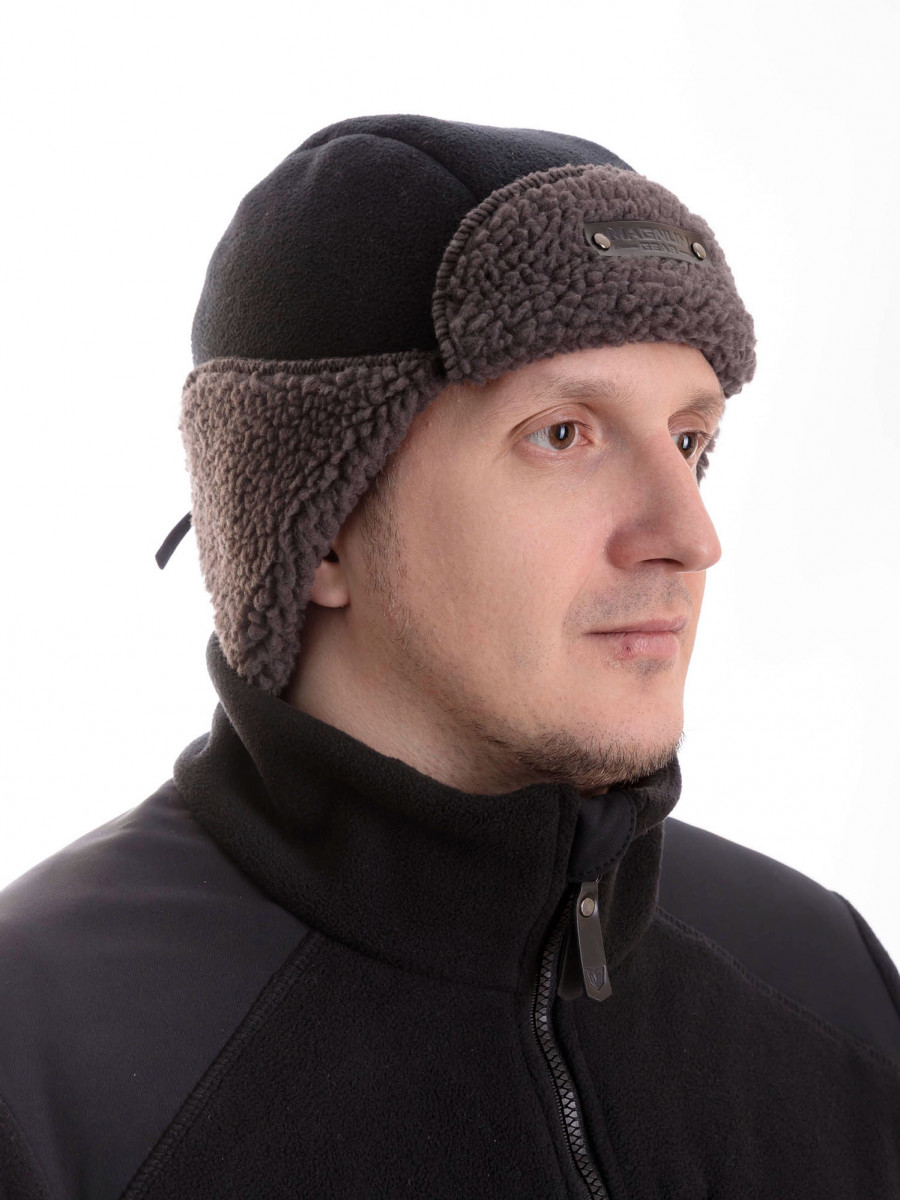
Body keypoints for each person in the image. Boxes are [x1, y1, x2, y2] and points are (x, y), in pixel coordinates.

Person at [1, 114, 898, 1200]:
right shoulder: (36, 1064)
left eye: (689, 441)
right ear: (318, 526)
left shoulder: (832, 984)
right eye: (563, 434)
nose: (688, 535)